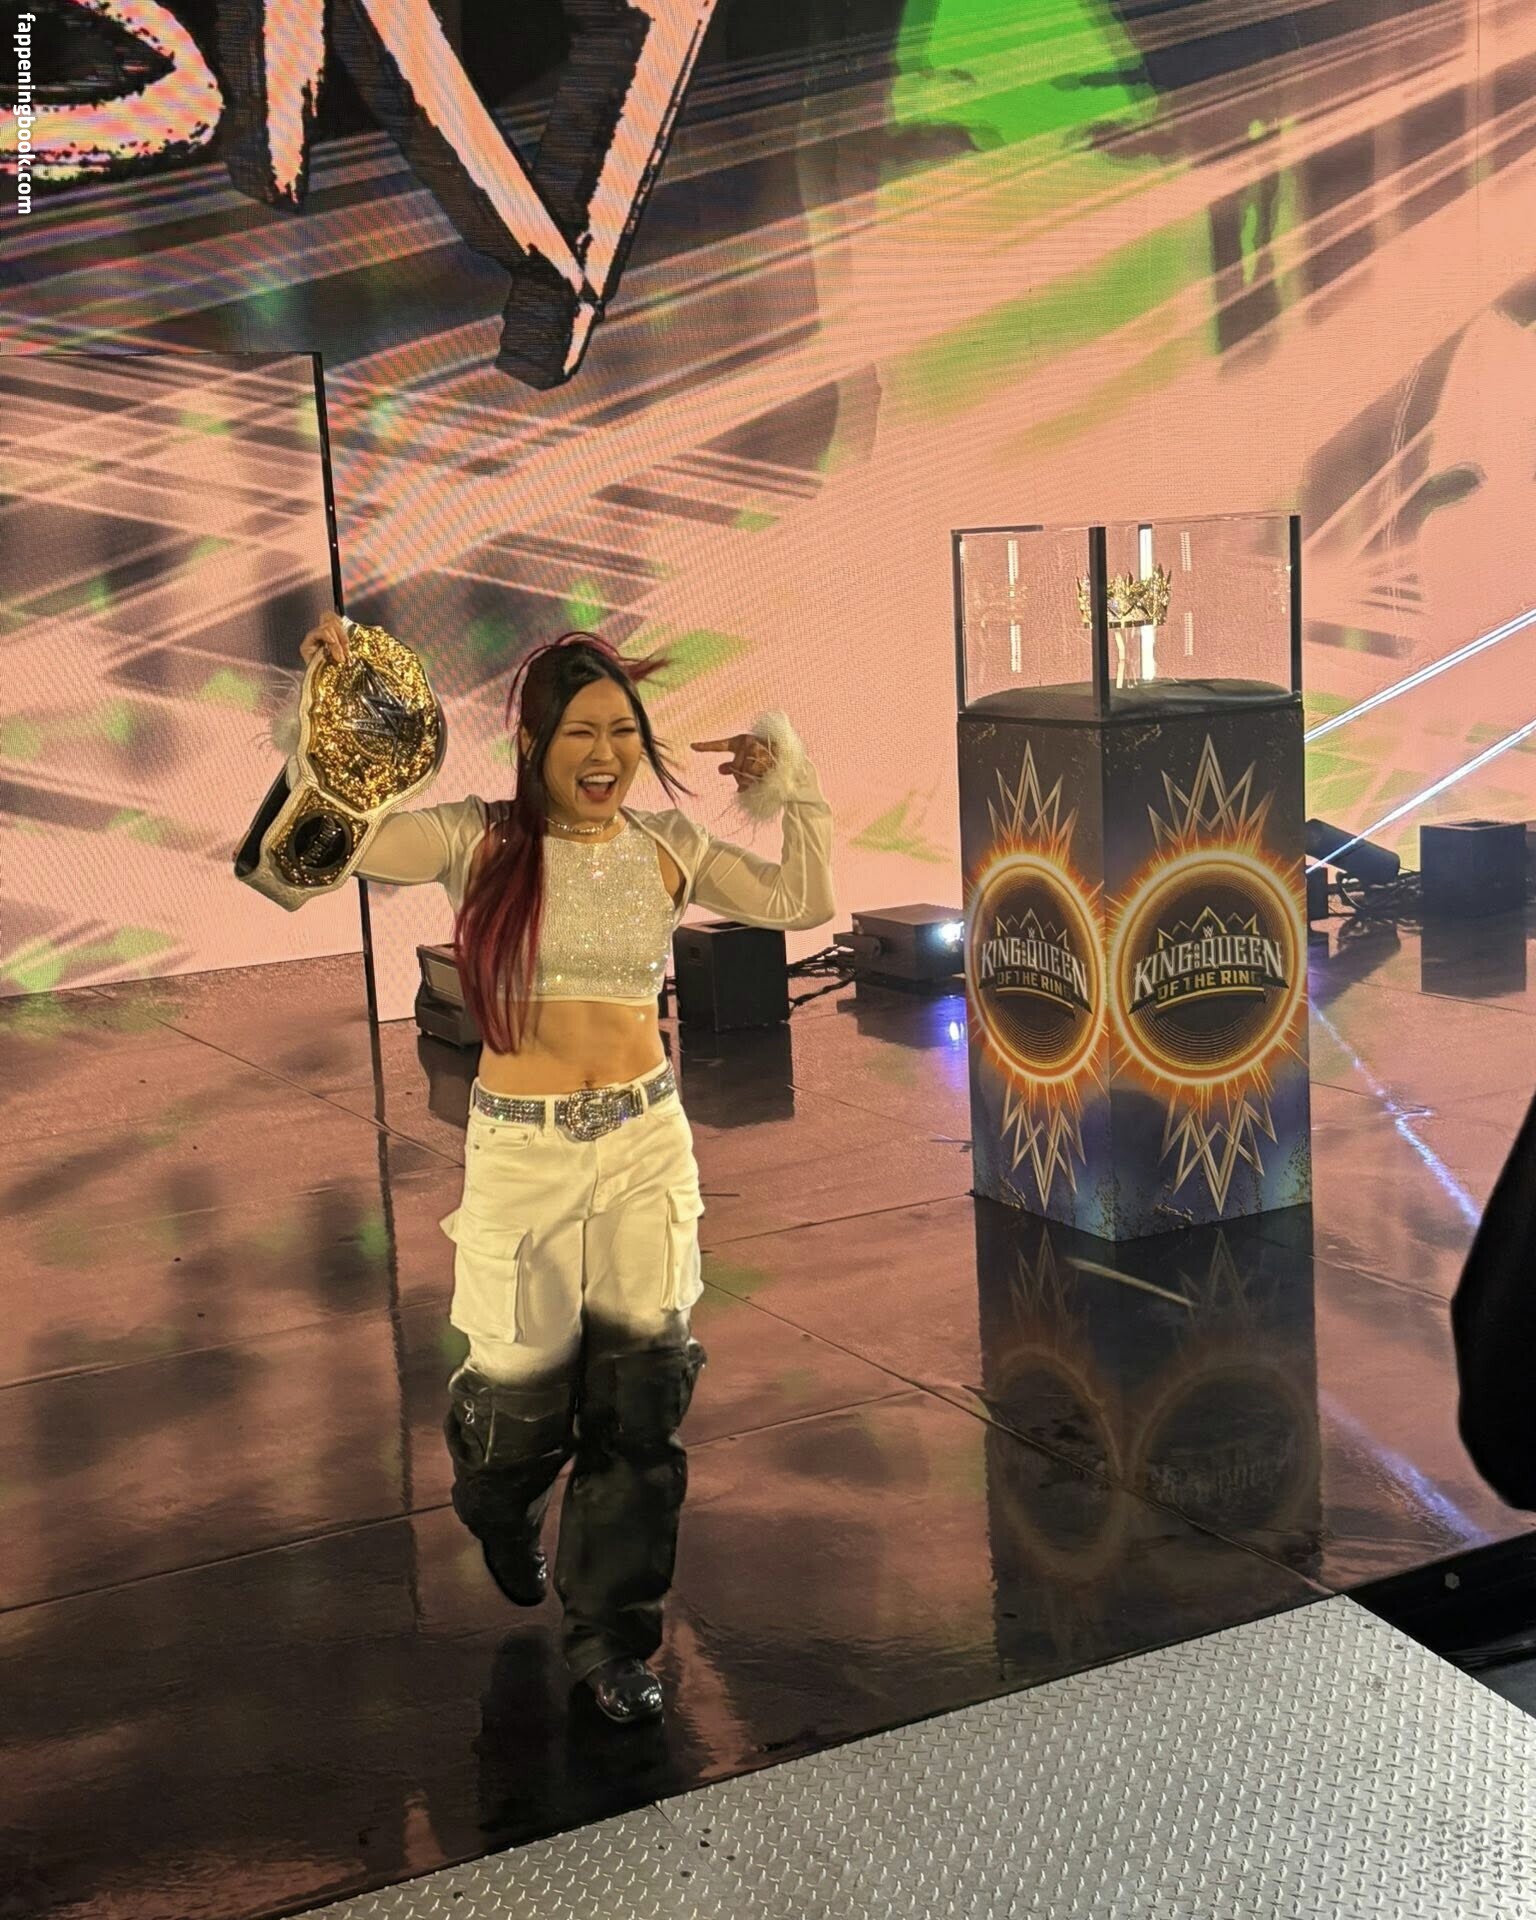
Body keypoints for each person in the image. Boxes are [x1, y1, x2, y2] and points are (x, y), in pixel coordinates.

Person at [292, 612, 835, 1721]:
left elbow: (802, 901)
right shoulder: (478, 840)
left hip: (645, 1148)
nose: (605, 755)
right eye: (581, 733)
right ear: (534, 743)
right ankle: (496, 1505)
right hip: (524, 1161)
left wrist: (795, 783)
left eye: (623, 732)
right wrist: (335, 727)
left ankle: (610, 1639)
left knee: (643, 1405)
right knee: (519, 1409)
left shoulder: (667, 847)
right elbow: (334, 847)